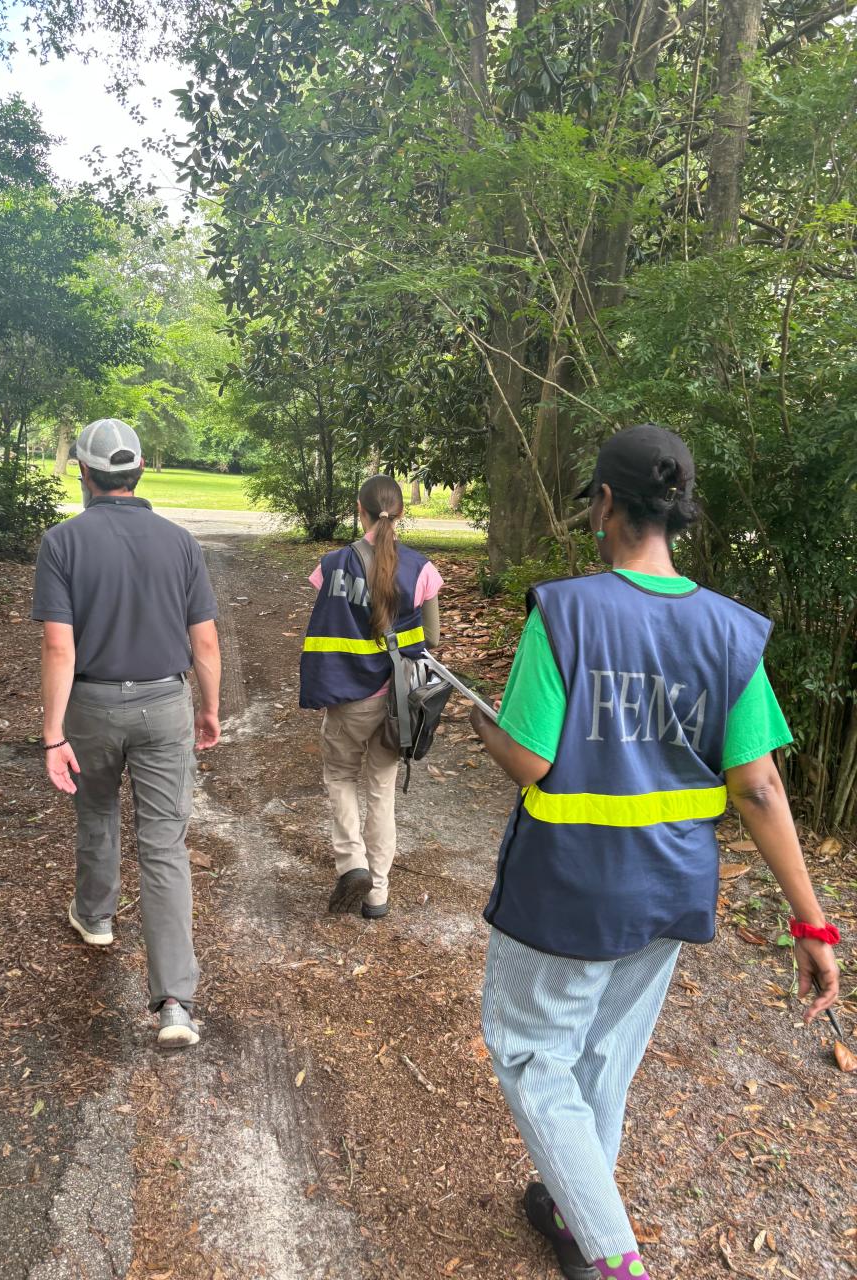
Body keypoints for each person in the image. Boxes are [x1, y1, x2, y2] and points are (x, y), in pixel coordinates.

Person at [469, 424, 840, 1280]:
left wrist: (486, 718)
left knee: (532, 1054)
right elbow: (760, 790)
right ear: (678, 511)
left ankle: (612, 1257)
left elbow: (529, 759)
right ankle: (572, 1209)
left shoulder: (564, 611)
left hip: (563, 890)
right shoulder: (730, 632)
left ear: (604, 504)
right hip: (668, 889)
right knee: (603, 1056)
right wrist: (812, 925)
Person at [31, 418, 222, 1048]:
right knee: (164, 844)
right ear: (140, 472)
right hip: (166, 702)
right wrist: (209, 708)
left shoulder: (62, 542)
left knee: (98, 811)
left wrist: (53, 734)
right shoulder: (181, 544)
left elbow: (60, 647)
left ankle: (96, 917)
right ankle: (175, 1003)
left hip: (90, 704)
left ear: (86, 474)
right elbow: (205, 641)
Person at [299, 475, 443, 918]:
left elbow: (331, 619)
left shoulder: (332, 564)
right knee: (381, 788)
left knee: (341, 776)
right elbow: (432, 638)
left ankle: (352, 862)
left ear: (358, 510)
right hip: (399, 702)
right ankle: (377, 893)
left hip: (348, 699)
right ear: (400, 513)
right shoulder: (422, 569)